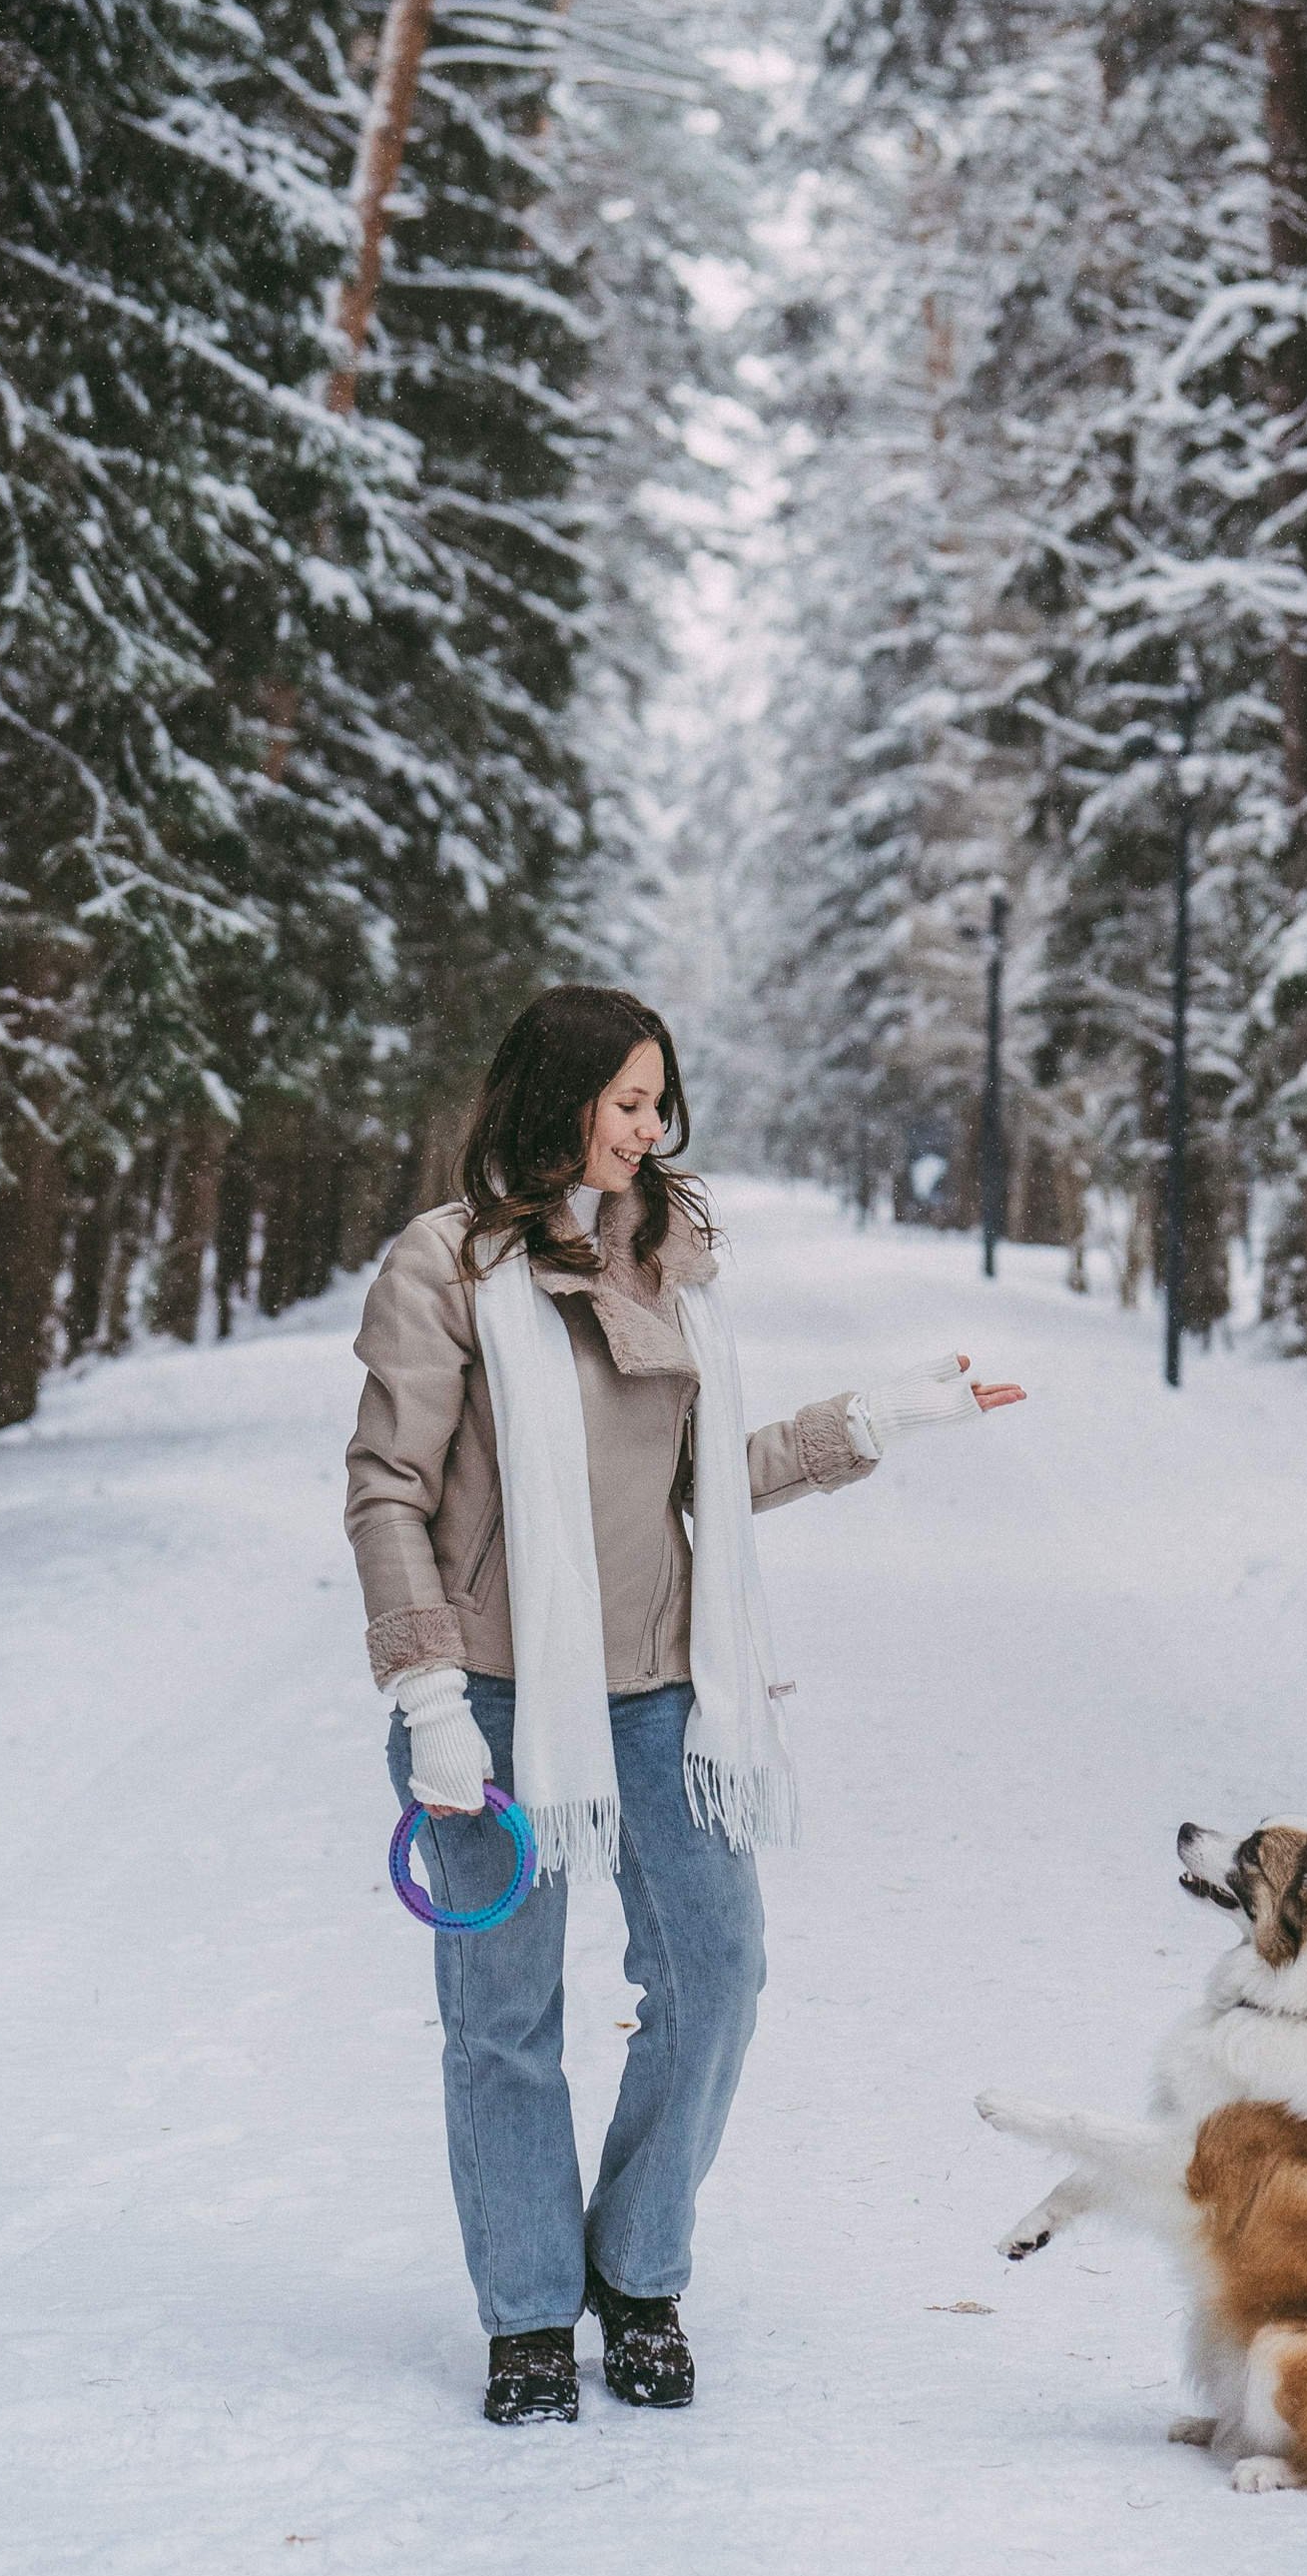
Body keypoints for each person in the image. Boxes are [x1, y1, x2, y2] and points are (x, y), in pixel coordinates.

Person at [345, 983, 1024, 2425]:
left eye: (663, 1108)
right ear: (556, 1102)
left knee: (716, 1973)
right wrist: (428, 1693)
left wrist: (880, 1417)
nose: (653, 1134)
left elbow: (715, 1476)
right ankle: (530, 2314)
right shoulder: (448, 1264)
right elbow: (389, 1487)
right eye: (629, 1104)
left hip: (661, 1690)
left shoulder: (671, 1263)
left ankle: (640, 2272)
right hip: (491, 1695)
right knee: (504, 2015)